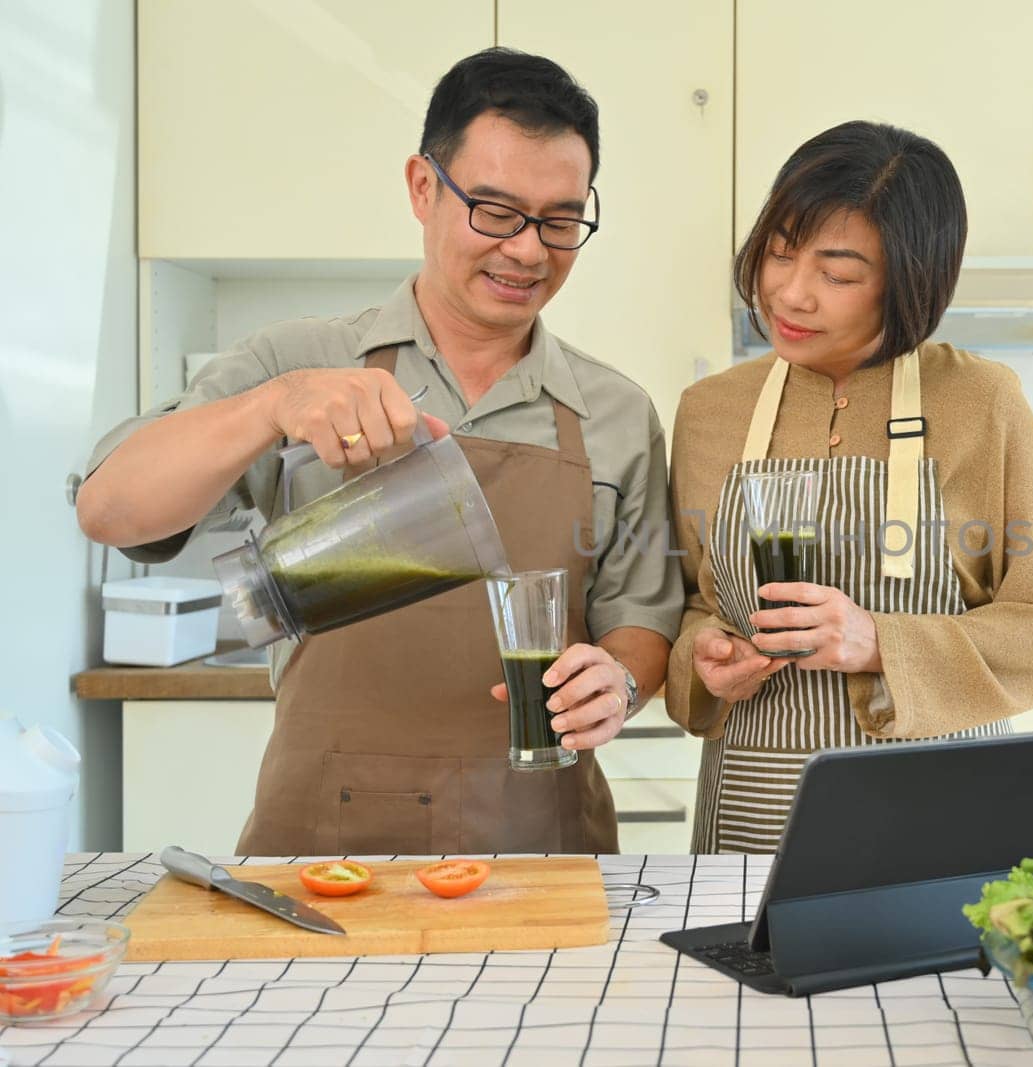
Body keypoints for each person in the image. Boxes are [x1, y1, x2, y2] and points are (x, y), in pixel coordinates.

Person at [76, 48, 682, 855]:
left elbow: (641, 621)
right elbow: (109, 509)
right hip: (323, 844)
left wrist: (623, 680)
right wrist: (271, 406)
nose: (530, 250)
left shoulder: (616, 412)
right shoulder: (298, 361)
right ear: (423, 188)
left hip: (542, 853)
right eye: (496, 211)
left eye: (560, 219)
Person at [666, 120, 1033, 854]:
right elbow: (692, 603)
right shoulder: (710, 410)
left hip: (940, 817)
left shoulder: (981, 401)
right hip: (750, 819)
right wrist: (704, 657)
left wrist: (879, 642)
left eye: (837, 274)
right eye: (779, 252)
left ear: (910, 279)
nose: (792, 294)